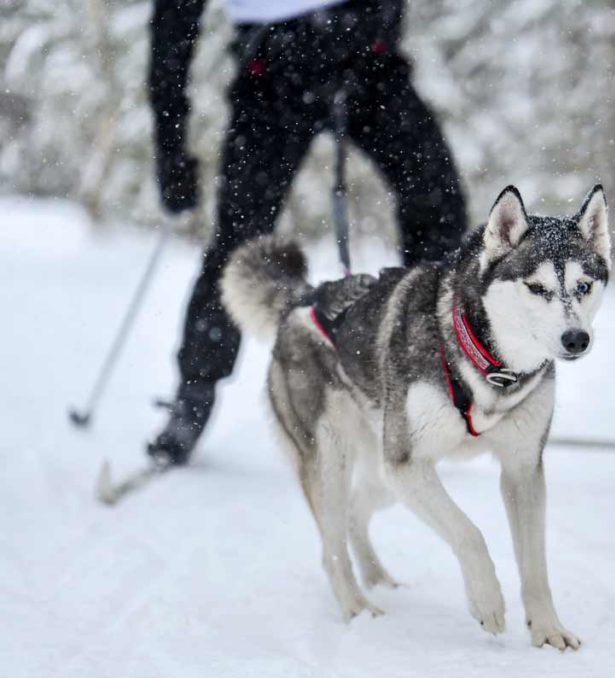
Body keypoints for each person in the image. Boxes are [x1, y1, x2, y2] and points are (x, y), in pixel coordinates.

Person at [147, 0, 466, 464]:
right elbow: (174, 25)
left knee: (438, 204)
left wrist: (380, 23)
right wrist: (170, 150)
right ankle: (193, 396)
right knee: (240, 241)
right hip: (271, 68)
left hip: (368, 62)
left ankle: (436, 379)